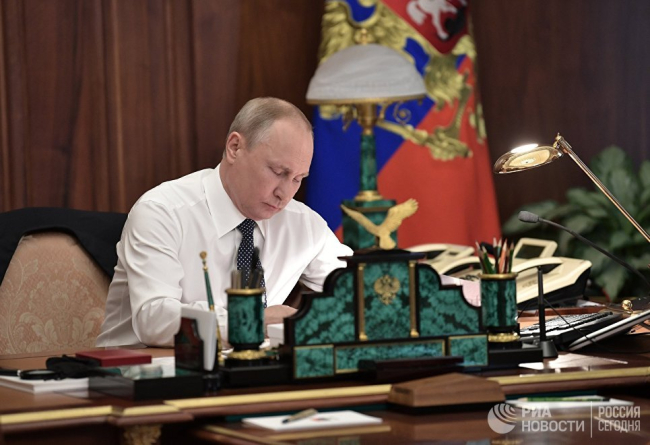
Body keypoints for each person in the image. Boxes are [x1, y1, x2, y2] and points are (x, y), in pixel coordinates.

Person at [97, 97, 353, 347]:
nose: (285, 193)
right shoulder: (162, 212)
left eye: (298, 179)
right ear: (234, 147)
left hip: (250, 371)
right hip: (143, 368)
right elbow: (154, 319)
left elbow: (359, 292)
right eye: (278, 172)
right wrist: (251, 322)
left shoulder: (301, 224)